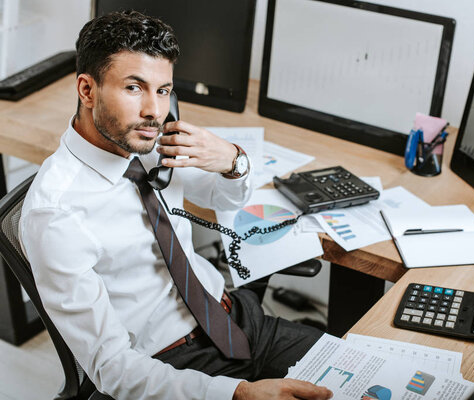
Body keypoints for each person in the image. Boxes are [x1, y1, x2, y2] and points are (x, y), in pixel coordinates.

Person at [19, 10, 332, 400]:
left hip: (234, 318)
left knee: (361, 376)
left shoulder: (149, 144)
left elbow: (227, 198)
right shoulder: (55, 214)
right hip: (169, 366)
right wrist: (237, 394)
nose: (155, 111)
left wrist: (233, 161)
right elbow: (113, 369)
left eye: (164, 90)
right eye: (134, 88)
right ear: (87, 90)